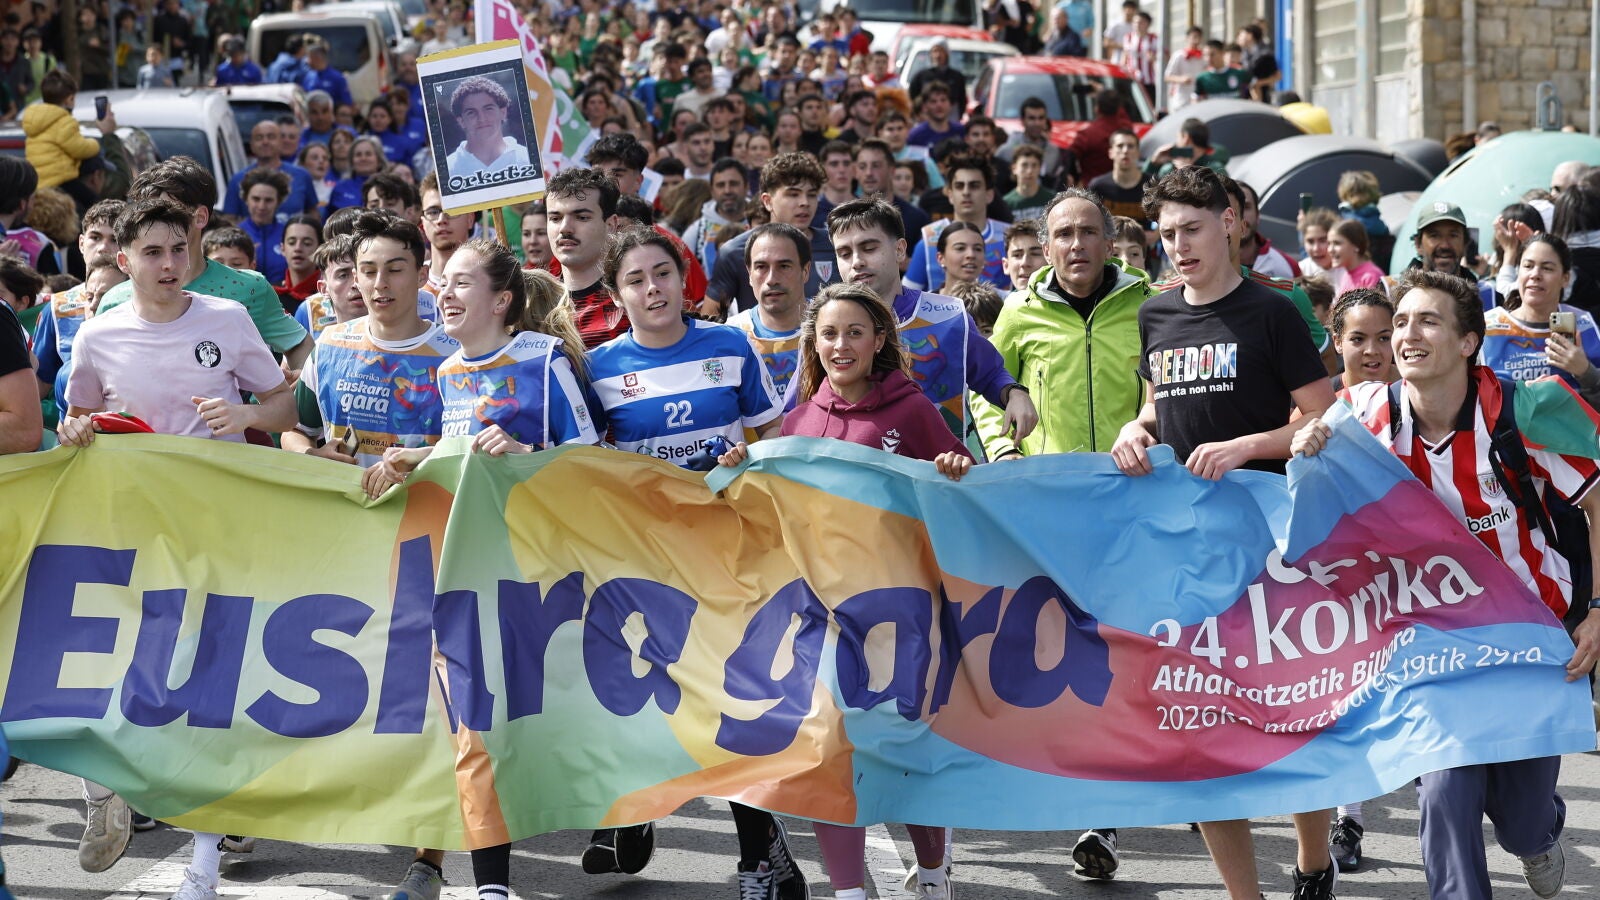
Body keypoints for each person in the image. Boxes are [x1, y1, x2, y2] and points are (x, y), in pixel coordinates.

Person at [1291, 268, 1600, 900]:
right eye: (1401, 322)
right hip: (1428, 639)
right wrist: (1305, 437)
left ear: (1467, 343)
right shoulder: (1365, 411)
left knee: (1522, 819)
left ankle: (1539, 835)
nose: (1406, 335)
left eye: (1427, 321)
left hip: (1528, 632)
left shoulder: (1527, 408)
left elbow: (1599, 498)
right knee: (1445, 789)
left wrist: (1597, 608)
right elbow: (1305, 447)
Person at [1111, 163, 1337, 900]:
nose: (1179, 245)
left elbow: (1322, 417)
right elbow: (1156, 406)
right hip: (1187, 552)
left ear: (1230, 223)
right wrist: (1135, 430)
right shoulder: (1155, 314)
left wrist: (1247, 447)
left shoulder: (1273, 312)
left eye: (1192, 229)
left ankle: (1313, 864)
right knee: (1198, 731)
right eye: (1167, 233)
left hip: (1276, 549)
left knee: (1290, 719)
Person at [58, 199, 296, 900]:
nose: (170, 264)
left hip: (217, 526)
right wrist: (75, 431)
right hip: (131, 528)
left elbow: (283, 406)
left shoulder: (227, 319)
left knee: (208, 684)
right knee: (123, 669)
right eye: (152, 252)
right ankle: (104, 789)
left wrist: (247, 412)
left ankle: (204, 862)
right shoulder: (97, 334)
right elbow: (79, 418)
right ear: (123, 260)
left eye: (178, 249)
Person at [586, 226, 806, 900]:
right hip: (645, 560)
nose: (652, 289)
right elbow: (585, 466)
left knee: (729, 701)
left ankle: (757, 860)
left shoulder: (730, 345)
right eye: (635, 280)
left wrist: (748, 462)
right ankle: (636, 814)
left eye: (662, 274)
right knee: (651, 701)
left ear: (684, 280)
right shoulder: (597, 368)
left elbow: (773, 435)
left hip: (727, 549)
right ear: (616, 294)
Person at [829, 196, 1037, 446]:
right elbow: (797, 406)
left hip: (949, 463)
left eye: (869, 248)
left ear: (899, 249)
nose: (856, 262)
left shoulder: (949, 315)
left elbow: (991, 374)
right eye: (844, 253)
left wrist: (1014, 394)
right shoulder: (825, 329)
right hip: (861, 466)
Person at [99, 157, 312, 371]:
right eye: (147, 213)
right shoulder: (114, 300)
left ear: (200, 217)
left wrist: (298, 381)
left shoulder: (249, 288)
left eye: (167, 211)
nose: (156, 222)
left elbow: (299, 345)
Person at [987, 189, 1149, 463]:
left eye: (1088, 232)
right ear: (1047, 251)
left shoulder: (1148, 306)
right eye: (1064, 234)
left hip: (1133, 472)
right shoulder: (1018, 310)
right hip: (1048, 477)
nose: (1077, 244)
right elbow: (988, 385)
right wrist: (1002, 448)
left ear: (1109, 246)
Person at [706, 152, 837, 317]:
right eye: (793, 194)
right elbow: (710, 322)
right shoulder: (734, 252)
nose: (805, 202)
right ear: (767, 201)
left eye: (811, 195)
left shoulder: (836, 245)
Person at [1481, 234, 1600, 407]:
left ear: (1565, 278)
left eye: (1547, 268)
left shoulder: (1583, 324)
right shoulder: (1488, 326)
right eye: (1528, 266)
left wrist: (1584, 370)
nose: (1535, 275)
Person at [904, 152, 1009, 293]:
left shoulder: (1009, 239)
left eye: (974, 186)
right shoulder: (929, 242)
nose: (966, 192)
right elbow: (904, 297)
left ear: (989, 195)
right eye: (959, 186)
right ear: (950, 194)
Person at [727, 222, 807, 397]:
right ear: (749, 274)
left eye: (784, 266)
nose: (772, 279)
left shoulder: (831, 326)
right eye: (761, 267)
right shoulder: (730, 336)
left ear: (806, 271)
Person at [22, 70, 105, 190]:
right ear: (69, 99)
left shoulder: (36, 121)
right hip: (60, 181)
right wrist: (95, 144)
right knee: (90, 199)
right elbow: (79, 148)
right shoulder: (64, 121)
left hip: (38, 183)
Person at [681, 157, 750, 273]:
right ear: (712, 191)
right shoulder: (696, 233)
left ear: (747, 187)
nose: (727, 190)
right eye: (720, 185)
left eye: (733, 184)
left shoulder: (762, 223)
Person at [1326, 287, 1397, 392]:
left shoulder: (1415, 387)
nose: (1372, 351)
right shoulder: (1324, 398)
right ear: (1338, 342)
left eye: (1383, 338)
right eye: (1358, 339)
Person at [295, 233, 363, 338]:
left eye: (362, 273)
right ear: (323, 288)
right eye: (343, 275)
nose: (355, 284)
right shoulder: (318, 347)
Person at [237, 169, 289, 283]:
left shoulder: (288, 235)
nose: (261, 206)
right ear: (246, 199)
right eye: (256, 199)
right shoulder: (234, 234)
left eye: (268, 200)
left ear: (278, 202)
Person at [1087, 128, 1148, 221]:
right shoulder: (1098, 186)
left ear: (1138, 153)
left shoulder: (1151, 185)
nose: (1125, 151)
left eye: (1131, 146)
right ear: (1110, 153)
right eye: (1120, 146)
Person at [1328, 219, 1383, 297]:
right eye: (1329, 243)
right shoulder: (1346, 274)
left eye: (1337, 243)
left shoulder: (1372, 276)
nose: (1330, 250)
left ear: (1356, 245)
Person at [277, 214, 321, 309]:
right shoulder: (271, 294)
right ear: (282, 249)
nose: (298, 248)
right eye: (291, 242)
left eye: (307, 243)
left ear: (320, 250)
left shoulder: (329, 295)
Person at [934, 220, 987, 291]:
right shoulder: (924, 298)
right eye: (960, 248)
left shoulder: (999, 297)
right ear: (941, 258)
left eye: (978, 249)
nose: (971, 255)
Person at [1164, 26, 1207, 112]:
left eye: (1199, 37)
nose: (1196, 40)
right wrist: (1181, 79)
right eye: (1194, 37)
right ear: (1187, 38)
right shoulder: (1178, 55)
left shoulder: (1204, 56)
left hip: (1198, 98)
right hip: (1181, 98)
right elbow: (1167, 77)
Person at [1003, 145, 1050, 222]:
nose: (1029, 171)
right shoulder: (1006, 203)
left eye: (1034, 165)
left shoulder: (1051, 199)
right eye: (1024, 165)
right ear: (1014, 168)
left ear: (1040, 169)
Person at [300, 41, 353, 108]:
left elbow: (347, 103)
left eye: (308, 58)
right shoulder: (309, 76)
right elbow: (304, 97)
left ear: (317, 58)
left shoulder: (337, 77)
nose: (306, 61)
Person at [1001, 218, 1047, 292]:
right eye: (1017, 255)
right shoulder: (999, 300)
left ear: (1050, 259)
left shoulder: (1066, 299)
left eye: (1035, 254)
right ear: (1006, 265)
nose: (1024, 263)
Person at [1299, 207, 1339, 279]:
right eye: (1310, 241)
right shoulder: (1299, 271)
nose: (1316, 248)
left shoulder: (1350, 270)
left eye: (1323, 240)